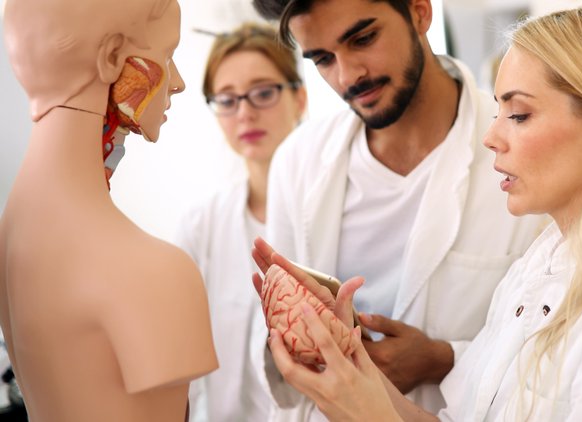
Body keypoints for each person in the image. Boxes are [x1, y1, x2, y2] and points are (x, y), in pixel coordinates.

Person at [257, 6, 582, 421]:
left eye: (519, 115)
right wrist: (352, 364)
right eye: (321, 58)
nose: (491, 137)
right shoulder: (535, 272)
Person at [251, 0, 544, 418]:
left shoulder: (519, 150)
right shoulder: (297, 161)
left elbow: (558, 348)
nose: (347, 75)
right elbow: (271, 354)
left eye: (363, 38)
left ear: (420, 11)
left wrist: (443, 359)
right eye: (322, 59)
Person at [0, 0, 218, 421]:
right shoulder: (156, 274)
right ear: (112, 57)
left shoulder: (12, 237)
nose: (178, 83)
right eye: (167, 56)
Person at [173, 22, 306, 422]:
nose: (245, 112)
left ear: (299, 98)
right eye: (227, 100)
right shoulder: (201, 225)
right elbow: (185, 362)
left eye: (263, 92)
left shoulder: (336, 208)